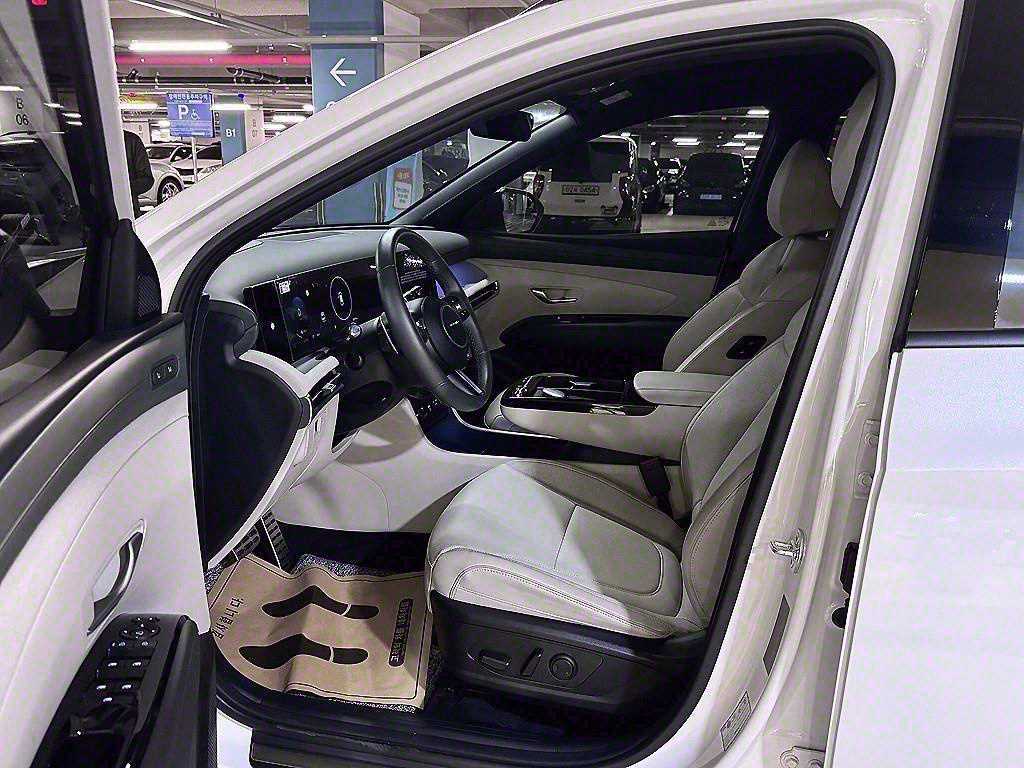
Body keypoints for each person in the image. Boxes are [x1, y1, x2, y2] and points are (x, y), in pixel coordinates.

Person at [123, 130, 153, 217]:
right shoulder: (89, 139)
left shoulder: (131, 140)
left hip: (126, 212)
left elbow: (147, 179)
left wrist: (122, 189)